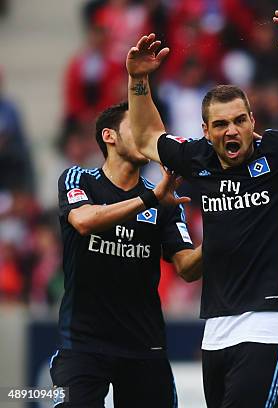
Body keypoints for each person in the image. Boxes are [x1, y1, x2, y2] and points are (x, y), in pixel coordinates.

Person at [126, 10, 278, 408]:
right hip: (217, 325)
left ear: (253, 121)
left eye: (240, 120)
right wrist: (138, 80)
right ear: (206, 131)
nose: (232, 131)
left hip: (272, 321)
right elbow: (148, 137)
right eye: (221, 125)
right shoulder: (197, 159)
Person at [50, 102, 202, 407]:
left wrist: (228, 230)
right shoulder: (79, 178)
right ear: (109, 136)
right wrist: (150, 199)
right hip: (83, 345)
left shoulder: (166, 200)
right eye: (137, 128)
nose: (146, 136)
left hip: (144, 347)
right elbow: (83, 220)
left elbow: (188, 268)